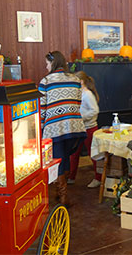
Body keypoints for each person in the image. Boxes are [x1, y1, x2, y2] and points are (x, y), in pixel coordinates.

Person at [38, 51, 86, 206]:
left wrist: (40, 128)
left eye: (47, 63)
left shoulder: (45, 81)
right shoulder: (76, 79)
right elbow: (78, 103)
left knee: (57, 160)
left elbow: (42, 109)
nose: (46, 67)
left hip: (55, 128)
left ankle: (62, 197)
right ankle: (62, 194)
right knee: (65, 158)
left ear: (53, 63)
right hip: (74, 126)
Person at [68, 71, 101, 188]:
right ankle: (71, 177)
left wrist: (81, 117)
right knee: (73, 154)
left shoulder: (87, 94)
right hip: (79, 128)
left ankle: (98, 178)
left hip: (89, 128)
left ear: (81, 82)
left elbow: (95, 110)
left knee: (94, 155)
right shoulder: (79, 93)